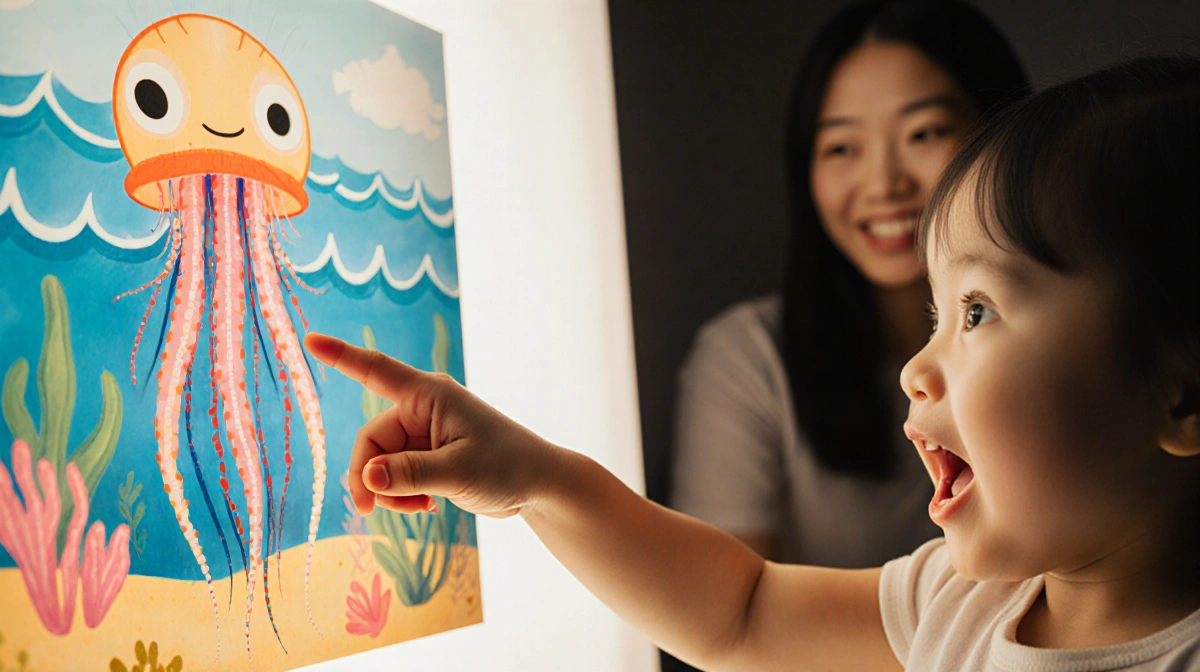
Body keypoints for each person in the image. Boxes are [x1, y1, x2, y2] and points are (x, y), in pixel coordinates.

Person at [307, 56, 1200, 670]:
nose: (917, 371)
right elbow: (736, 616)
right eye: (937, 315)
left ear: (1182, 395)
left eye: (977, 311)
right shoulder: (960, 607)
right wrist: (537, 479)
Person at [669, 0, 1031, 565]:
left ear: (1002, 133)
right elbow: (725, 619)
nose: (883, 182)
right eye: (841, 147)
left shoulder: (1068, 335)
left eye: (923, 132)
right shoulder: (749, 359)